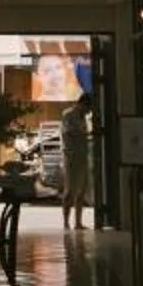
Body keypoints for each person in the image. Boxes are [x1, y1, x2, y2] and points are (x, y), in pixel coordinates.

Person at [60, 92, 93, 230]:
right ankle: (66, 222)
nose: (89, 111)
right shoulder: (69, 114)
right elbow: (70, 132)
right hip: (72, 156)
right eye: (89, 108)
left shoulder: (84, 117)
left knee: (82, 190)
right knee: (70, 190)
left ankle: (78, 222)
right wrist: (86, 134)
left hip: (83, 155)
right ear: (82, 104)